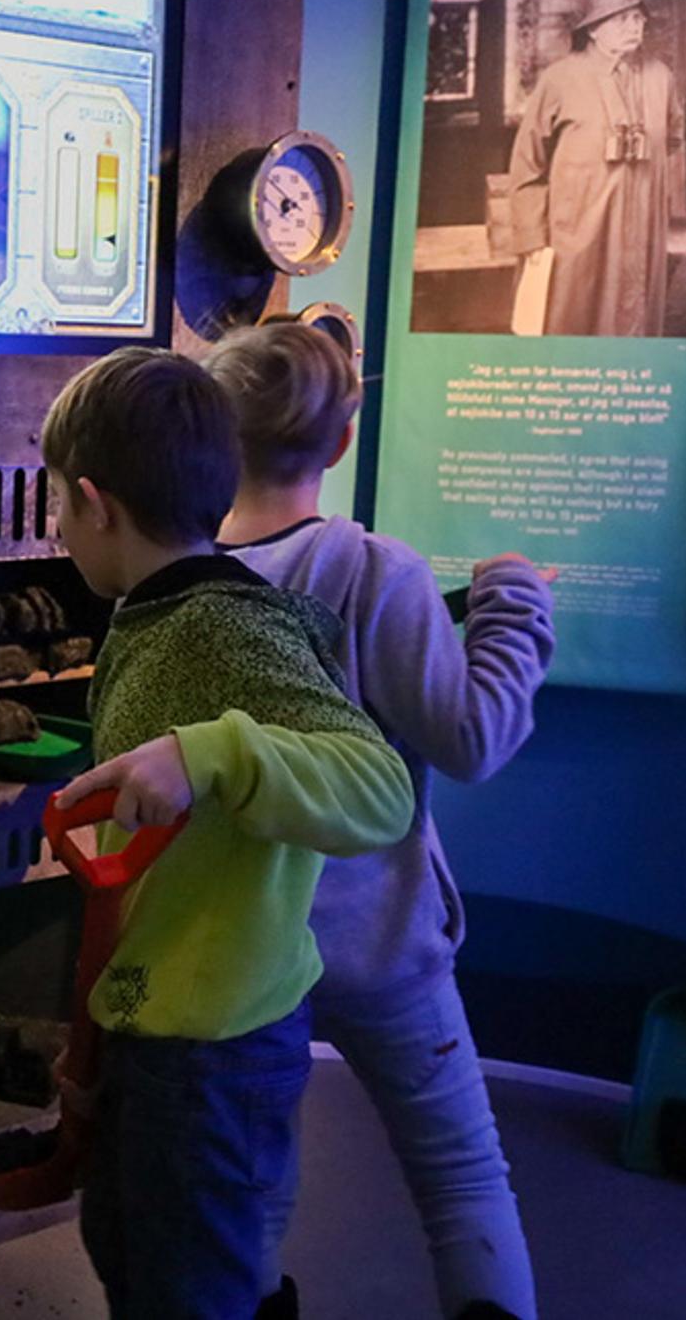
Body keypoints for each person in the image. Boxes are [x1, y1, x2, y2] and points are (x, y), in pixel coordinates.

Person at [44, 346, 417, 1319]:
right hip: (156, 1025)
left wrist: (208, 751)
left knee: (189, 1285)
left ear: (93, 503)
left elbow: (379, 789)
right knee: (130, 1249)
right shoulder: (151, 615)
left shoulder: (222, 626)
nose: (51, 525)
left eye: (52, 502)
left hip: (210, 1052)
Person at [207, 322, 555, 1320]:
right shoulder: (374, 572)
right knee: (460, 1178)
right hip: (382, 944)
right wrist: (511, 605)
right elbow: (472, 736)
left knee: (253, 1198)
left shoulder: (182, 580)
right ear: (343, 438)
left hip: (246, 956)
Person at [506, 0, 685, 337]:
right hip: (577, 229)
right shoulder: (560, 79)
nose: (635, 27)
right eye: (622, 19)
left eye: (638, 19)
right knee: (571, 317)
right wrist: (532, 238)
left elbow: (672, 138)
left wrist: (635, 183)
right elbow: (528, 162)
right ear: (594, 30)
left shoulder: (660, 78)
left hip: (641, 225)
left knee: (637, 320)